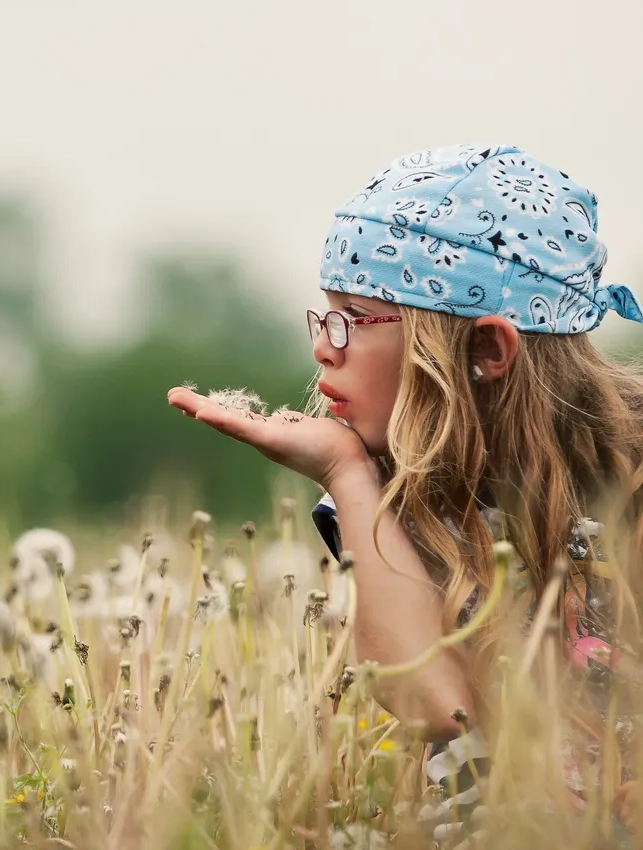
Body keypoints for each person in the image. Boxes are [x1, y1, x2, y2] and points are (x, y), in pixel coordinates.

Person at [165, 144, 643, 839]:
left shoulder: (630, 484)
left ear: (486, 351)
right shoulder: (395, 498)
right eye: (323, 317)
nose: (323, 349)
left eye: (351, 319)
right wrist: (347, 477)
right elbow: (433, 706)